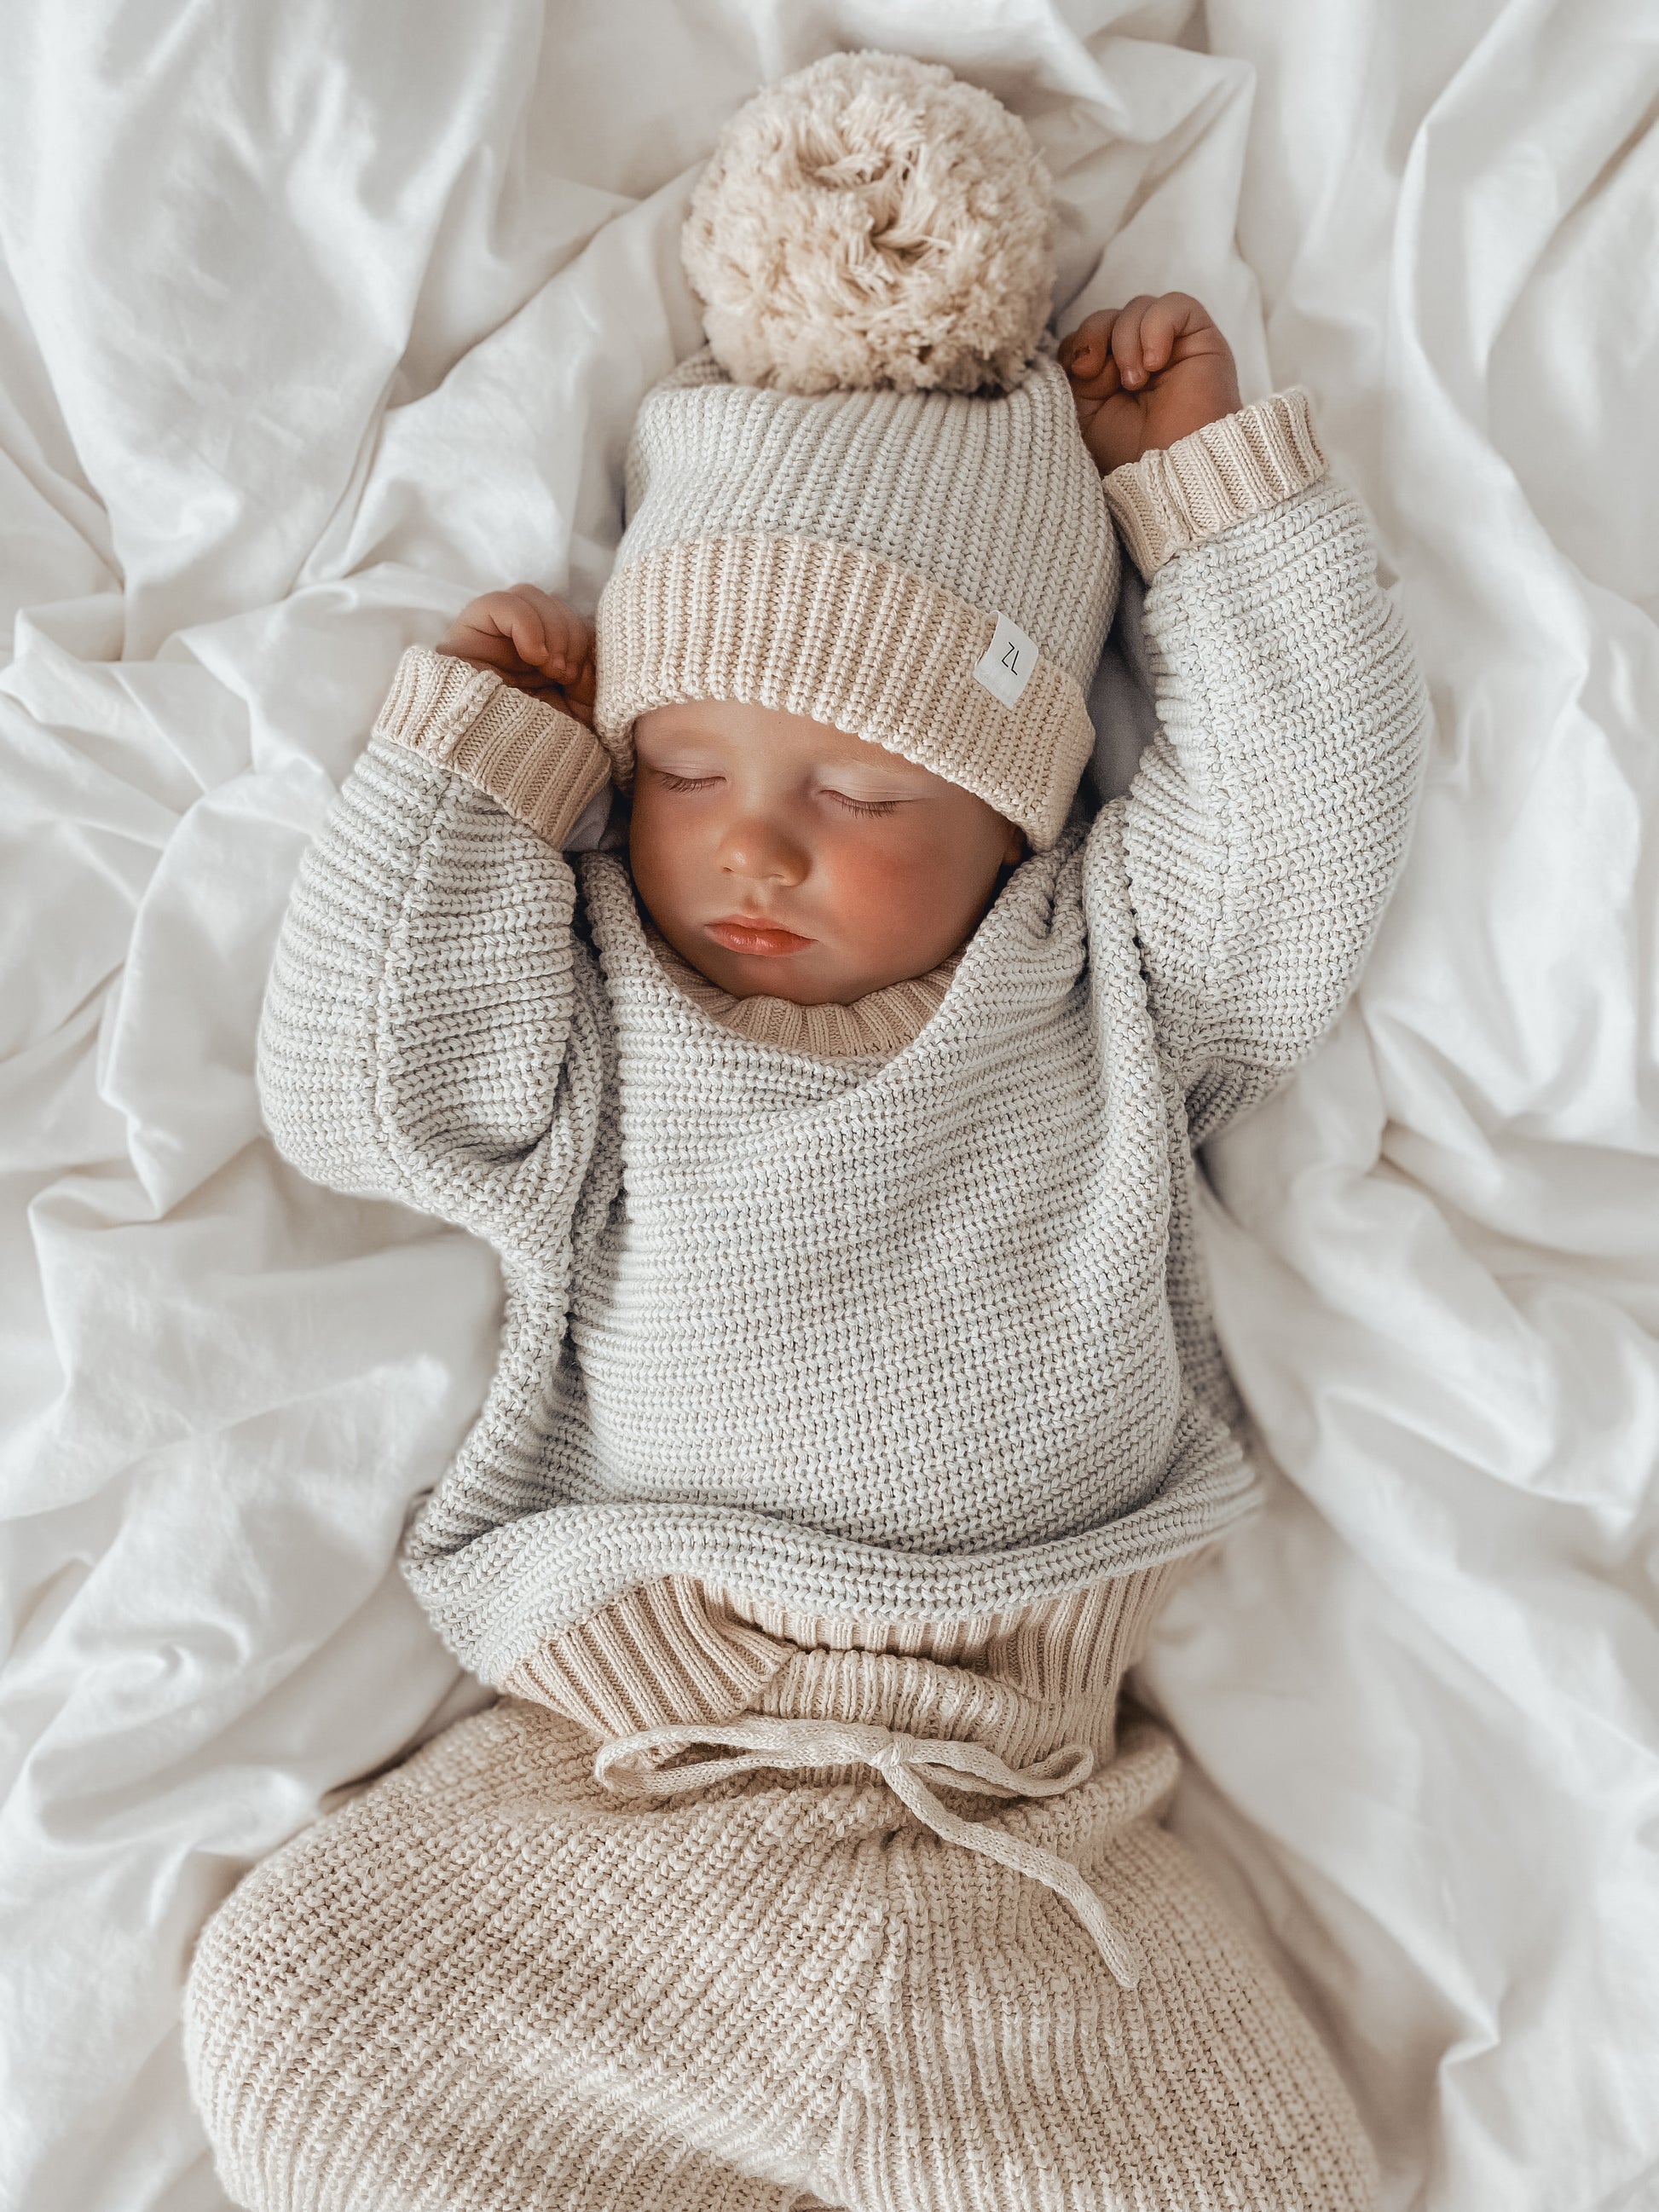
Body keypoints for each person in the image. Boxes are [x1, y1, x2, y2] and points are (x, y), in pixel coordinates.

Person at [185, 49, 1427, 2212]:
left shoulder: (1103, 970)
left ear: (1016, 808)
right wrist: (472, 778)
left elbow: (1306, 835)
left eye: (859, 792)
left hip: (1021, 1821)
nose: (756, 843)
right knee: (296, 2018)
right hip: (621, 1796)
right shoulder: (604, 993)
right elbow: (373, 1090)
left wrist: (1209, 504)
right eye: (687, 770)